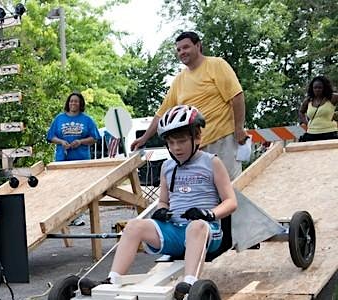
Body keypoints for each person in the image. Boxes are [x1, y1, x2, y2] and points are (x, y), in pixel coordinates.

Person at [80, 105, 237, 299]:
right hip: (175, 232)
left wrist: (209, 214)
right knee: (134, 226)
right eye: (171, 143)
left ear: (197, 138)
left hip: (206, 232)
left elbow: (231, 202)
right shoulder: (167, 166)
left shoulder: (211, 162)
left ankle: (188, 283)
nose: (176, 148)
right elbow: (163, 201)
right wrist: (161, 211)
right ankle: (112, 280)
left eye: (181, 141)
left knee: (196, 227)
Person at [130, 31, 248, 180]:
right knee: (204, 193)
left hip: (222, 140)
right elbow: (162, 113)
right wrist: (144, 138)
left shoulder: (216, 65)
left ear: (198, 46)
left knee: (230, 188)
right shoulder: (179, 79)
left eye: (186, 47)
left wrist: (238, 128)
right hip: (195, 146)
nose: (182, 52)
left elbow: (236, 96)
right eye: (178, 50)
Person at [47, 92, 101, 226]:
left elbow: (94, 138)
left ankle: (78, 216)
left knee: (79, 189)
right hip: (62, 160)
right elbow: (50, 136)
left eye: (76, 101)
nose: (73, 104)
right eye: (71, 101)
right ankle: (65, 217)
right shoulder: (59, 119)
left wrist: (81, 141)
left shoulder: (87, 120)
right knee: (63, 188)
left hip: (81, 160)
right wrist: (61, 142)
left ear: (80, 104)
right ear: (68, 103)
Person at [298, 75, 338, 142]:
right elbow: (301, 112)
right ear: (312, 88)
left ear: (325, 88)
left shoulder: (332, 97)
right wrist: (307, 123)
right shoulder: (308, 100)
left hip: (330, 133)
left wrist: (336, 114)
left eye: (320, 88)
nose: (317, 90)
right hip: (311, 134)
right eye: (315, 88)